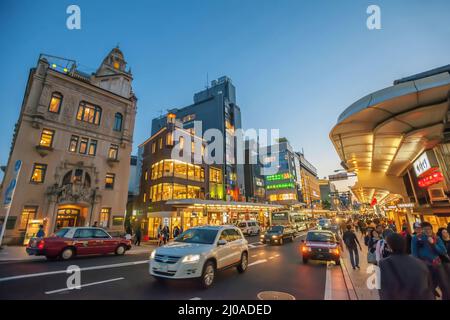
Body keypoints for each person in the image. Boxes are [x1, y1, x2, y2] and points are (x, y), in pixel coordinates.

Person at [379, 233, 434, 300]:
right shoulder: (419, 262)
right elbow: (429, 287)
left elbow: (384, 291)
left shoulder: (384, 263)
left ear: (390, 246)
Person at [411, 222, 449, 300]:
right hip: (425, 266)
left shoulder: (436, 238)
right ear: (421, 230)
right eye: (425, 229)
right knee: (429, 287)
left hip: (437, 264)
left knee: (445, 285)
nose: (428, 231)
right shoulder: (416, 238)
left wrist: (433, 244)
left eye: (429, 229)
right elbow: (414, 253)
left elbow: (443, 251)